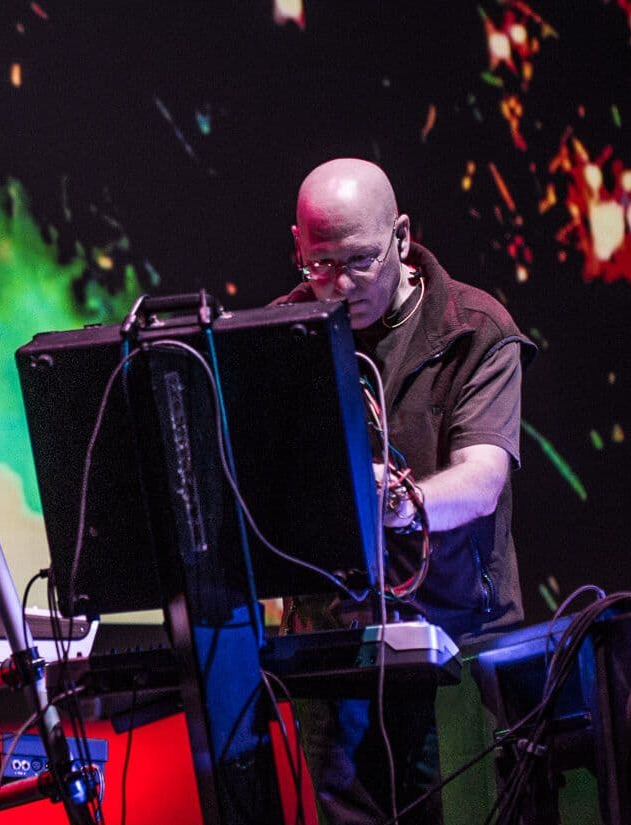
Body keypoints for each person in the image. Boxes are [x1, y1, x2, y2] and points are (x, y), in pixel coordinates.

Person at [276, 158, 536, 824]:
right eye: (320, 263)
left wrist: (392, 503)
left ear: (401, 235)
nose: (340, 284)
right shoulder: (280, 335)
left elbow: (481, 480)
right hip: (334, 659)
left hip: (459, 648)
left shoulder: (475, 328)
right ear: (298, 246)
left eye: (360, 261)